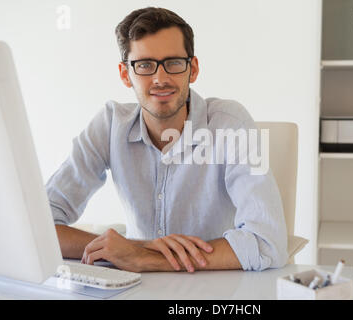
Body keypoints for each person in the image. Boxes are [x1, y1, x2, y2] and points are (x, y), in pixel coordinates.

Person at [46, 7, 288, 273]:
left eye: (173, 62)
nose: (160, 79)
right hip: (137, 289)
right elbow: (38, 225)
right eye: (145, 65)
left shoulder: (232, 123)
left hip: (218, 286)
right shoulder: (110, 124)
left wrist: (144, 258)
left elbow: (268, 243)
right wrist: (128, 249)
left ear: (192, 69)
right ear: (126, 74)